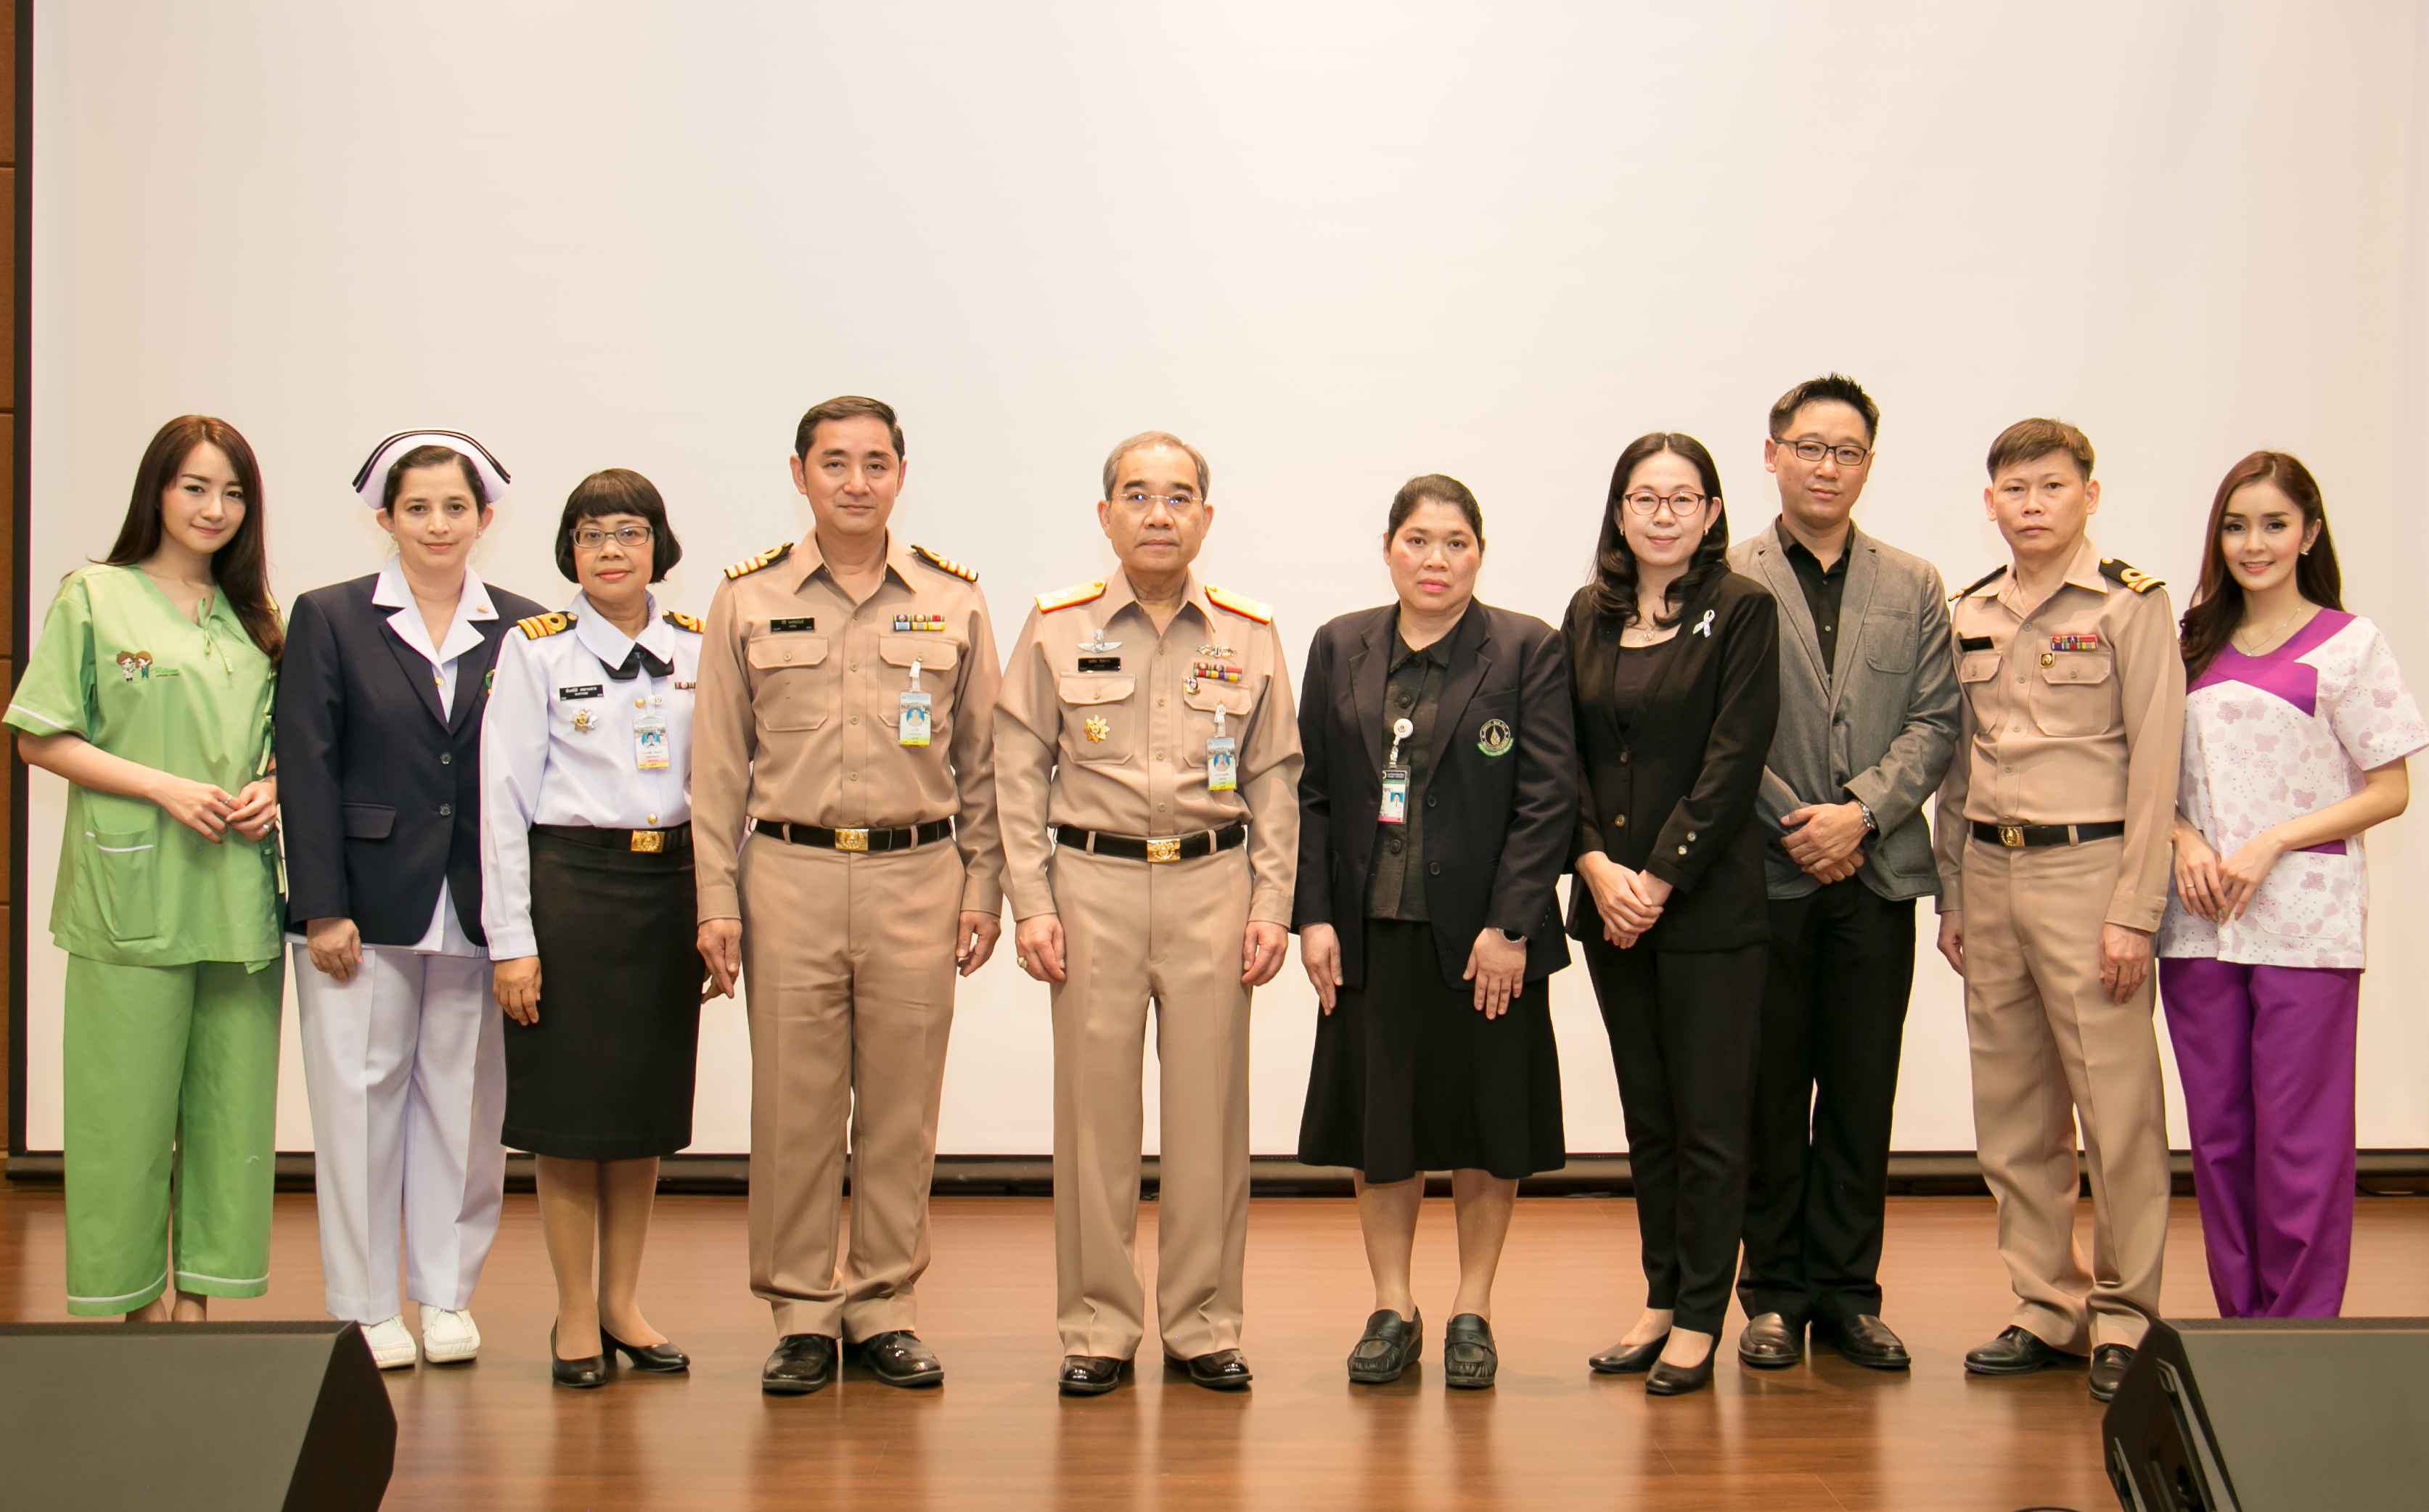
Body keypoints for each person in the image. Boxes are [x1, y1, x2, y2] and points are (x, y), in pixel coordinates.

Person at [691, 395, 1004, 1397]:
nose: (855, 482)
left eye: (874, 464)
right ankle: (798, 1312)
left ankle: (882, 1307)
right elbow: (714, 769)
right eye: (835, 464)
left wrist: (984, 886)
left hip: (921, 872)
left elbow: (986, 761)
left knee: (902, 1110)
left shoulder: (952, 599)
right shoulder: (745, 599)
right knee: (794, 1105)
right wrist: (717, 900)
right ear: (799, 475)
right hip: (788, 873)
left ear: (900, 476)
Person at [994, 430, 1303, 1397]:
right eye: (1137, 495)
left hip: (1215, 886)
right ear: (1105, 516)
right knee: (1092, 1118)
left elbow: (1275, 777)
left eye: (1178, 498)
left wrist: (1271, 902)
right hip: (1091, 889)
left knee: (1210, 1115)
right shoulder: (1053, 627)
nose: (1157, 514)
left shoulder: (1248, 634)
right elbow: (1015, 773)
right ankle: (1096, 1327)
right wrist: (1031, 904)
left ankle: (1203, 1323)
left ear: (1205, 518)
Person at [1293, 474, 1577, 1391]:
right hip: (1371, 931)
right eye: (1418, 540)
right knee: (1384, 1130)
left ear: (1478, 554)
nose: (1435, 559)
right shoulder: (1340, 643)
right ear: (1387, 547)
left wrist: (1510, 925)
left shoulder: (1526, 646)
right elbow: (1314, 794)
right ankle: (1391, 1305)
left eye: (1455, 542)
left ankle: (1470, 1308)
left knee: (1487, 1127)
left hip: (1484, 940)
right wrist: (1314, 914)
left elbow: (1547, 799)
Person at [7, 415, 284, 1320]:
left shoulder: (256, 621)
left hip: (237, 897)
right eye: (195, 486)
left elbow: (288, 747)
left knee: (229, 1115)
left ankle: (200, 1301)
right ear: (156, 492)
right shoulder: (94, 595)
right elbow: (41, 737)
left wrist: (274, 788)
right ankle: (131, 1305)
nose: (214, 507)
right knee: (120, 1116)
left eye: (233, 491)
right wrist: (163, 786)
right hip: (129, 894)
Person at [1931, 419, 2184, 1403]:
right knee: (2013, 1112)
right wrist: (1952, 891)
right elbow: (1958, 766)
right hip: (1988, 875)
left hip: (2090, 875)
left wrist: (2135, 909)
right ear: (1989, 503)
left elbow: (2156, 763)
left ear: (2088, 493)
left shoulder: (2128, 606)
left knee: (2115, 1116)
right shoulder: (1969, 609)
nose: (2029, 504)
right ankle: (2045, 1305)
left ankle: (2125, 1315)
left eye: (2048, 486)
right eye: (2011, 489)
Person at [277, 431, 538, 1370]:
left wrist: (524, 923)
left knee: (464, 1113)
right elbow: (305, 768)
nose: (437, 525)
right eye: (417, 508)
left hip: (475, 905)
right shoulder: (332, 618)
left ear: (485, 518)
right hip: (362, 906)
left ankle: (442, 1295)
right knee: (355, 1106)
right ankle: (362, 1303)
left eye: (455, 508)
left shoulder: (524, 626)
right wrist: (320, 906)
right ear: (382, 517)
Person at [1725, 377, 1959, 1372]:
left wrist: (1859, 814)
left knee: (1860, 1094)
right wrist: (1799, 824)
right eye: (1808, 446)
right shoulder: (1722, 578)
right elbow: (1716, 732)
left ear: (1867, 463)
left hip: (1874, 879)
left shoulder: (1912, 584)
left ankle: (1847, 1295)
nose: (1826, 466)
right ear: (1770, 452)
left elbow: (1936, 720)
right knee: (1768, 1097)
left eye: (1847, 451)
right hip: (1765, 880)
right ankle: (1772, 1295)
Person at [2159, 451, 2422, 1319]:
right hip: (2197, 927)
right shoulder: (2185, 640)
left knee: (2299, 1143)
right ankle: (2240, 1326)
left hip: (2303, 926)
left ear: (2308, 531)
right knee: (2221, 1137)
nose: (2252, 543)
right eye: (2235, 525)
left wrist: (2273, 840)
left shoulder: (2348, 643)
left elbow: (2389, 788)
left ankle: (2300, 1330)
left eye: (2273, 524)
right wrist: (2180, 833)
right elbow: (2142, 773)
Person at [1565, 432, 1780, 1397]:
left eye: (1680, 498)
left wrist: (1651, 881)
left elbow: (1731, 762)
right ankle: (1659, 1296)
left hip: (1701, 909)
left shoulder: (1741, 610)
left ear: (1710, 512)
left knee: (1709, 1122)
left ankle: (1701, 1313)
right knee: (1647, 1117)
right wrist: (1595, 869)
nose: (1661, 514)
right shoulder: (1585, 612)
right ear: (1617, 513)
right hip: (1607, 904)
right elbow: (1557, 753)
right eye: (1642, 498)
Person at [481, 469, 703, 1388]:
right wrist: (512, 939)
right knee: (569, 1120)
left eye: (628, 532)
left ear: (659, 544)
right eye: (589, 534)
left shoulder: (698, 646)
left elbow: (727, 789)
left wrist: (722, 912)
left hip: (669, 891)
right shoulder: (533, 652)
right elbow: (499, 798)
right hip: (568, 889)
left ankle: (624, 1303)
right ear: (569, 550)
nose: (610, 550)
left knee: (641, 1116)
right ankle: (575, 1314)